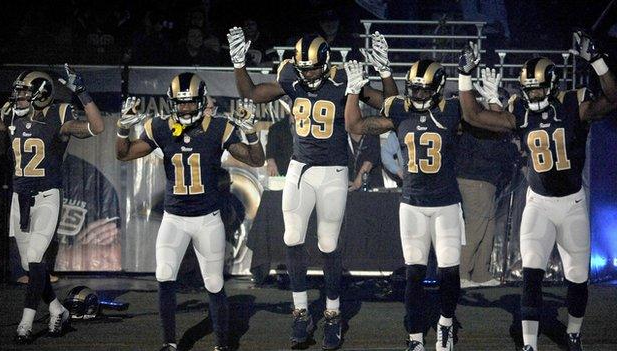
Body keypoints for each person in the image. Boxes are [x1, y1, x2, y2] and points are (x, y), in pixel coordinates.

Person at [227, 27, 397, 349]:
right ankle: (301, 310)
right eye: (303, 68)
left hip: (333, 170)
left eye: (314, 68)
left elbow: (388, 103)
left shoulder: (343, 78)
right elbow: (251, 93)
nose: (308, 74)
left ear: (326, 61)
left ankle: (332, 313)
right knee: (292, 237)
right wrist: (239, 64)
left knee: (329, 244)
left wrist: (384, 72)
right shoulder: (291, 76)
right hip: (300, 168)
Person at [457, 31, 617, 351]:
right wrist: (463, 76)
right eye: (529, 89)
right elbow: (472, 115)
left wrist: (598, 62)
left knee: (576, 278)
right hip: (539, 204)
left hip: (571, 204)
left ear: (553, 84)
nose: (534, 94)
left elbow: (613, 99)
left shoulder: (573, 106)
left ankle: (572, 332)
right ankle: (529, 344)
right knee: (531, 274)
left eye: (539, 87)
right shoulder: (519, 111)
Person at [115, 73, 264, 351]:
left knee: (214, 282)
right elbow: (124, 154)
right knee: (164, 275)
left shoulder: (218, 127)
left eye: (190, 103)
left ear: (201, 101)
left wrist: (252, 133)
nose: (184, 109)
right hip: (174, 219)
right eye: (180, 103)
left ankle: (221, 344)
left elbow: (257, 160)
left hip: (207, 219)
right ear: (171, 102)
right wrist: (122, 129)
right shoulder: (160, 127)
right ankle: (169, 342)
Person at [344, 58, 467, 351]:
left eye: (424, 90)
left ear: (438, 88)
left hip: (446, 204)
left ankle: (445, 325)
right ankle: (414, 338)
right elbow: (354, 124)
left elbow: (483, 117)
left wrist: (471, 85)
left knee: (449, 273)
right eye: (414, 89)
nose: (418, 96)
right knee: (414, 274)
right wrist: (353, 90)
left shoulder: (451, 111)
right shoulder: (400, 110)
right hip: (412, 204)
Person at [0, 65, 105, 343]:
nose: (18, 97)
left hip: (46, 196)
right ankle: (57, 310)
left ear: (41, 94)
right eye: (18, 92)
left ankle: (26, 322)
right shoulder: (11, 114)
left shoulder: (59, 114)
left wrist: (81, 92)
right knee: (31, 267)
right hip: (20, 198)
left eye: (24, 93)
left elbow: (97, 127)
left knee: (35, 259)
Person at [457, 81, 515, 288]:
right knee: (476, 228)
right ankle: (462, 274)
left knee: (487, 227)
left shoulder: (484, 121)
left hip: (484, 181)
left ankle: (481, 272)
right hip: (476, 180)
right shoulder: (481, 122)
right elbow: (495, 150)